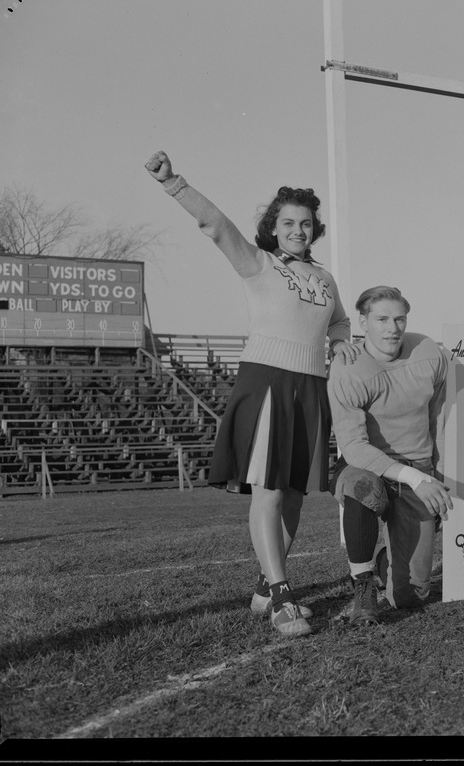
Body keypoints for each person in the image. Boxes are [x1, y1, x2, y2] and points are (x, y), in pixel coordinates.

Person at [145, 151, 357, 637]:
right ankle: (283, 599)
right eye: (288, 223)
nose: (298, 230)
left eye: (306, 223)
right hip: (267, 381)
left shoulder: (325, 279)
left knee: (296, 496)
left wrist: (341, 340)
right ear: (273, 227)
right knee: (268, 491)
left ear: (314, 228)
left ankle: (266, 584)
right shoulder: (257, 263)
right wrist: (174, 182)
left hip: (311, 387)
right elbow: (215, 225)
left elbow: (340, 319)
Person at [327, 286, 452, 626]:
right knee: (363, 490)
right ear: (363, 322)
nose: (392, 328)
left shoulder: (428, 352)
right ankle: (364, 585)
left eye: (399, 319)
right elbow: (353, 447)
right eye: (382, 319)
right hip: (366, 466)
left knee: (410, 598)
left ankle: (386, 562)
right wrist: (416, 479)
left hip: (419, 467)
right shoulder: (348, 367)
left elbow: (440, 416)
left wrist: (437, 473)